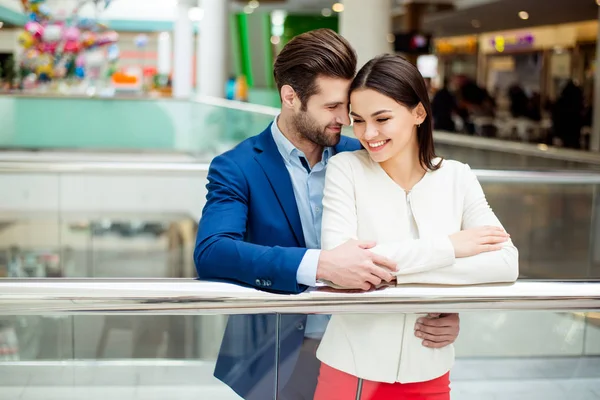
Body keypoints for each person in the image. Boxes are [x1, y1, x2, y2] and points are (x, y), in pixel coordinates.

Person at [194, 29, 461, 400]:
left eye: (347, 106)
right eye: (333, 107)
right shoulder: (236, 167)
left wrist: (442, 310)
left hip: (366, 346)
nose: (347, 119)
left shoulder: (368, 156)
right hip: (278, 354)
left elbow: (418, 240)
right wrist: (319, 265)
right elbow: (212, 252)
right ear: (291, 97)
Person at [313, 54, 519, 400]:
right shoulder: (345, 170)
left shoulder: (458, 177)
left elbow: (505, 263)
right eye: (358, 121)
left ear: (418, 114)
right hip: (352, 371)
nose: (368, 133)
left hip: (430, 370)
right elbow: (341, 267)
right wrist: (450, 247)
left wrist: (395, 276)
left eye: (382, 118)